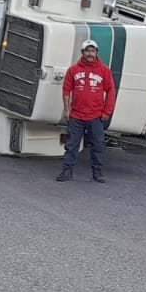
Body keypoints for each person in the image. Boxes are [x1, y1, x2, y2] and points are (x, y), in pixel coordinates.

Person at [57, 38, 115, 183]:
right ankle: (67, 172)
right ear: (82, 52)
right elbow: (66, 90)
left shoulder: (104, 71)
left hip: (95, 116)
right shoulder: (73, 70)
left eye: (92, 51)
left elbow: (111, 91)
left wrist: (107, 111)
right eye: (87, 51)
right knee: (71, 145)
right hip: (76, 115)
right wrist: (67, 109)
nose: (90, 53)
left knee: (98, 145)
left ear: (97, 52)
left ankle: (97, 173)